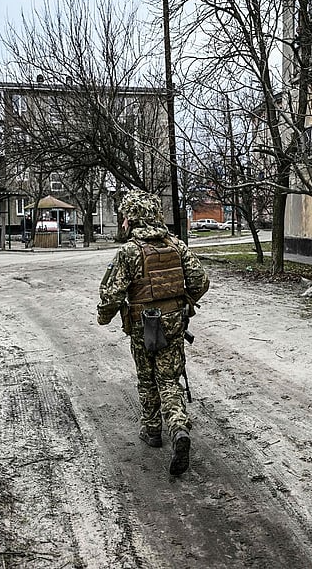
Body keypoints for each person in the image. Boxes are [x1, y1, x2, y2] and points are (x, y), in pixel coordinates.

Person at [97, 190, 210, 476]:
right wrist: (181, 300)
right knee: (169, 379)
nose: (122, 221)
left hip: (142, 324)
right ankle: (179, 428)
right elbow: (201, 281)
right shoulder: (177, 246)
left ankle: (152, 430)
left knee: (147, 378)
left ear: (133, 217)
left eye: (124, 216)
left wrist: (104, 316)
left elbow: (112, 294)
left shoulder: (130, 252)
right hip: (174, 322)